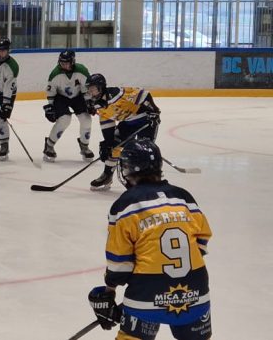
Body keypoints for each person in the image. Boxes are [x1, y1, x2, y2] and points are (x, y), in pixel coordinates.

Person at [88, 139, 212, 339]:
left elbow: (120, 264)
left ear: (127, 169)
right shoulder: (184, 197)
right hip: (195, 292)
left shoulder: (125, 205)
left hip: (145, 295)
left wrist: (108, 292)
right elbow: (201, 243)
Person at [86, 73, 161, 191]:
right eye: (89, 90)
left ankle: (148, 180)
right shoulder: (98, 105)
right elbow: (107, 124)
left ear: (101, 87)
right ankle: (107, 176)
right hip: (128, 122)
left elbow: (143, 94)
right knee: (113, 146)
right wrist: (109, 143)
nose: (91, 92)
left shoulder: (118, 95)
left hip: (145, 119)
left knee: (144, 151)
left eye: (93, 89)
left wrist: (153, 111)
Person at [42, 50, 95, 162]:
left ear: (73, 61)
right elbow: (51, 93)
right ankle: (49, 145)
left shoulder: (82, 70)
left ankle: (84, 146)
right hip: (61, 98)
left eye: (66, 62)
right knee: (65, 119)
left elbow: (87, 89)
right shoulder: (55, 74)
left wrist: (90, 103)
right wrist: (51, 107)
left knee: (86, 119)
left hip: (78, 97)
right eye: (62, 62)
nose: (64, 65)